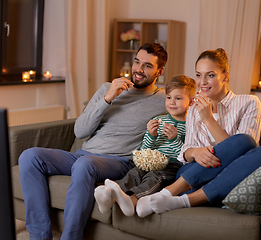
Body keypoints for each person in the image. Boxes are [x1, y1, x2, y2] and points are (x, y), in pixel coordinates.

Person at [18, 43, 168, 240]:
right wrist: (107, 99)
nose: (139, 70)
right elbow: (80, 131)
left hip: (119, 162)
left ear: (160, 71)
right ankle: (39, 236)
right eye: (137, 62)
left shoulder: (164, 99)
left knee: (84, 164)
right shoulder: (109, 88)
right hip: (83, 155)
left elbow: (186, 109)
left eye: (147, 66)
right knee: (29, 156)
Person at [136, 48, 261, 217]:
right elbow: (185, 152)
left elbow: (243, 151)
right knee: (245, 142)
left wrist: (208, 119)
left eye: (210, 75)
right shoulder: (194, 108)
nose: (202, 82)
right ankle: (171, 192)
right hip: (193, 173)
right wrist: (197, 152)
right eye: (198, 75)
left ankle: (180, 199)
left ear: (225, 76)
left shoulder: (249, 103)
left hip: (230, 174)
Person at [94, 75, 196, 217]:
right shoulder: (158, 120)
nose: (172, 102)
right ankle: (108, 194)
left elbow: (186, 156)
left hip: (172, 166)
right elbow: (144, 151)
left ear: (191, 102)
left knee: (154, 178)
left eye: (178, 98)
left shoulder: (192, 126)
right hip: (151, 162)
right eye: (168, 97)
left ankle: (132, 200)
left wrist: (174, 139)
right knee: (134, 173)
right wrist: (151, 135)